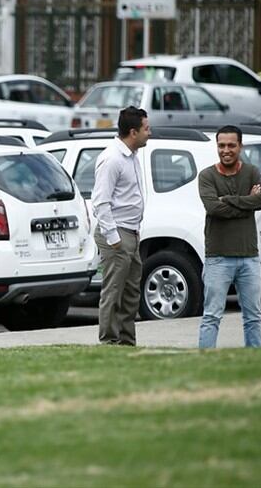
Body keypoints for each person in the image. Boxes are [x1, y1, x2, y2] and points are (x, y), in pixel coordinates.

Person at [197, 125, 261, 349]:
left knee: (253, 317)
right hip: (218, 257)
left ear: (240, 146)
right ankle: (205, 362)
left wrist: (227, 199)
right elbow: (213, 208)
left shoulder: (253, 172)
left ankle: (255, 360)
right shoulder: (207, 176)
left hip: (249, 256)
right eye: (221, 145)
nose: (226, 150)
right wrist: (247, 202)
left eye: (231, 145)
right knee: (211, 316)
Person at [91, 106, 150, 346]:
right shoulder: (112, 158)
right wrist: (114, 237)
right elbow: (100, 202)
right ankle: (109, 342)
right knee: (113, 291)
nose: (150, 132)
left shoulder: (132, 155)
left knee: (131, 292)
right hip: (117, 234)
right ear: (133, 132)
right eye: (147, 128)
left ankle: (127, 342)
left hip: (132, 233)